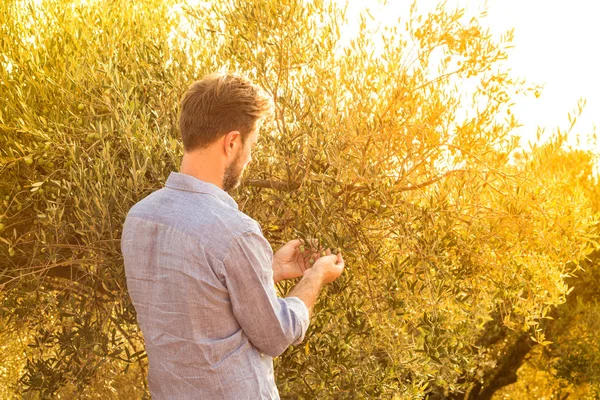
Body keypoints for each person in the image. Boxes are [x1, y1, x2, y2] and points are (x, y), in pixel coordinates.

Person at [121, 72, 345, 399]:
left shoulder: (139, 218)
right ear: (232, 142)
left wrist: (271, 270)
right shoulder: (235, 233)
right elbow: (276, 334)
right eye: (251, 146)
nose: (251, 158)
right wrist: (314, 276)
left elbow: (201, 302)